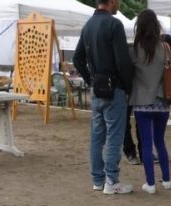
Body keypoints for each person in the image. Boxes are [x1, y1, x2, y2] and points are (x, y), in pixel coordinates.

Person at [73, 0, 134, 195]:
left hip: (96, 89)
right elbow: (123, 61)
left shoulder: (88, 25)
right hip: (114, 88)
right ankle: (112, 181)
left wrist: (90, 79)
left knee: (97, 136)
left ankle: (98, 181)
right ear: (112, 1)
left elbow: (77, 58)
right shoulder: (114, 24)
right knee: (115, 135)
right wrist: (128, 86)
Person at [129, 9, 171, 194]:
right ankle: (168, 180)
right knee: (160, 142)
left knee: (146, 144)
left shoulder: (134, 48)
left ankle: (151, 184)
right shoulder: (164, 47)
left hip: (141, 101)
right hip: (162, 101)